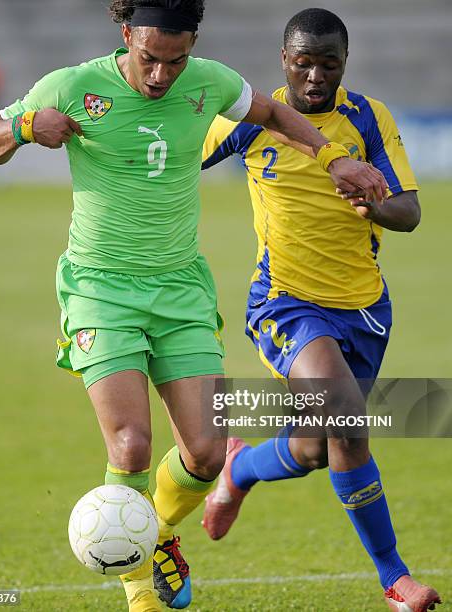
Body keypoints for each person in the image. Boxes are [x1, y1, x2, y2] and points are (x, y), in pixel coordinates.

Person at [0, 1, 387, 611]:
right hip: (101, 289)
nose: (163, 75)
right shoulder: (73, 84)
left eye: (176, 59)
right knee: (132, 444)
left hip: (181, 289)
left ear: (191, 46)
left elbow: (271, 111)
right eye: (149, 59)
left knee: (208, 452)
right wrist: (27, 127)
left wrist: (333, 157)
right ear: (126, 36)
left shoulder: (210, 81)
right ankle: (139, 593)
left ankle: (155, 532)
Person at [201, 8, 441, 612]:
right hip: (285, 302)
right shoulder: (250, 120)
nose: (314, 76)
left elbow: (409, 211)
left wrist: (372, 205)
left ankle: (241, 470)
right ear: (284, 61)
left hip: (363, 309)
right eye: (303, 62)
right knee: (348, 420)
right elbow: (177, 154)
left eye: (327, 64)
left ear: (344, 64)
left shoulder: (368, 117)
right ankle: (395, 579)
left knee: (316, 448)